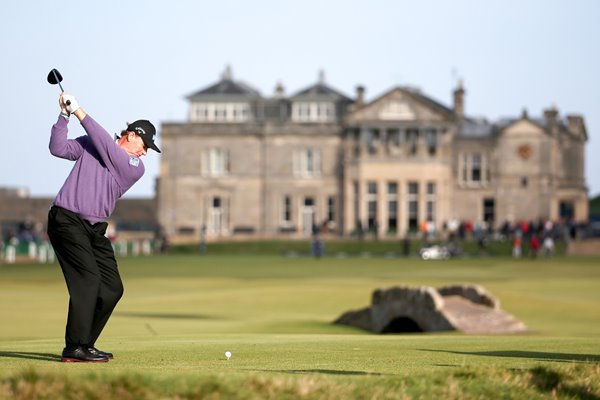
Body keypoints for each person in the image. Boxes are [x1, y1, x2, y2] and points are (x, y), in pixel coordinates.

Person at [47, 92, 160, 362]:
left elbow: (107, 148)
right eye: (145, 144)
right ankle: (74, 347)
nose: (145, 152)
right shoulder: (92, 144)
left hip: (95, 230)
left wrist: (80, 111)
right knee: (87, 281)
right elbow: (58, 148)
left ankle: (83, 344)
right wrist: (64, 115)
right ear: (132, 135)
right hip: (66, 220)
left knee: (112, 288)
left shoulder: (134, 167)